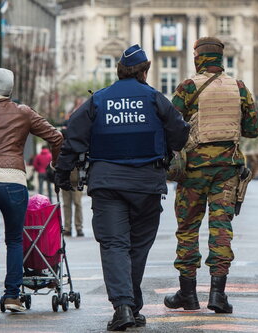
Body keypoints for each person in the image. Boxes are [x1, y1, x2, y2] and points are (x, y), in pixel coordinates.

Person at [54, 44, 189, 331]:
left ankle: (124, 307)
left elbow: (73, 137)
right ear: (144, 71)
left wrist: (63, 173)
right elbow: (180, 133)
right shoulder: (155, 98)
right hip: (147, 185)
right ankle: (129, 304)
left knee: (115, 245)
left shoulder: (99, 100)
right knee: (137, 247)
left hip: (107, 183)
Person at [164, 37, 258, 314]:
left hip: (193, 170)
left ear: (198, 58)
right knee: (221, 231)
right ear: (222, 59)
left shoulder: (188, 87)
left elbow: (171, 123)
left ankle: (188, 294)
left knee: (187, 230)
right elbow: (254, 128)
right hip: (227, 169)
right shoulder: (239, 87)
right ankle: (218, 295)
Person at [0, 68, 63, 317]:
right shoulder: (23, 113)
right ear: (9, 88)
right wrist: (55, 165)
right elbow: (57, 137)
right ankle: (11, 296)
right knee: (14, 240)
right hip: (13, 181)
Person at [60, 125, 84, 237]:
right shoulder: (62, 147)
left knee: (77, 203)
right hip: (65, 180)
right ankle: (68, 228)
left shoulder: (77, 145)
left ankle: (78, 227)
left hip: (76, 180)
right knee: (66, 205)